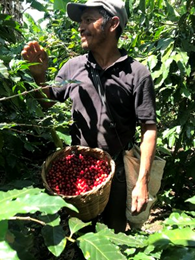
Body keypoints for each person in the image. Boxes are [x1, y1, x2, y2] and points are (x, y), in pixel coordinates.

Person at [21, 0, 157, 233]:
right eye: (80, 21)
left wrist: (142, 182)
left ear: (113, 23)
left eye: (88, 20)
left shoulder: (137, 73)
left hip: (118, 167)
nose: (80, 27)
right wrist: (39, 77)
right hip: (80, 167)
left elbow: (149, 128)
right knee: (84, 232)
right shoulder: (73, 67)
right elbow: (48, 103)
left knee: (114, 229)